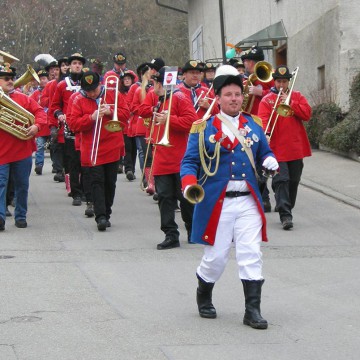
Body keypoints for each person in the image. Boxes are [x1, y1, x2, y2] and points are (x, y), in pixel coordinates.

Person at [180, 65, 279, 329]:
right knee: (217, 257)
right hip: (217, 202)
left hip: (247, 201)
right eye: (228, 94)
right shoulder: (203, 127)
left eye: (237, 94)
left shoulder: (254, 124)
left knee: (251, 253)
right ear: (219, 98)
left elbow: (265, 151)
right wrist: (189, 184)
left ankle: (252, 311)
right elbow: (189, 162)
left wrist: (269, 160)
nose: (234, 98)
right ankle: (204, 293)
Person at [139, 66, 197, 249]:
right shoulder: (158, 100)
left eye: (153, 83)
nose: (151, 87)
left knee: (185, 198)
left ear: (159, 83)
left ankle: (192, 229)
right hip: (162, 157)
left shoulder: (179, 97)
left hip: (179, 158)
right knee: (164, 198)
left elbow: (192, 122)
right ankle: (171, 234)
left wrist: (169, 119)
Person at [70, 71, 130, 231]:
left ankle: (107, 212)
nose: (91, 93)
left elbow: (126, 114)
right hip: (92, 148)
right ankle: (100, 216)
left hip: (112, 146)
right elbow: (73, 124)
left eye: (94, 89)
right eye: (88, 90)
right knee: (97, 182)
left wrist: (110, 112)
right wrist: (90, 118)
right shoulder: (78, 99)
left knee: (110, 182)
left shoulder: (113, 94)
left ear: (100, 85)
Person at [258, 65, 312, 230]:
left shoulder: (297, 96)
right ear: (274, 81)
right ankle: (285, 215)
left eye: (284, 81)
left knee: (293, 181)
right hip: (276, 148)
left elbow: (307, 114)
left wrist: (292, 104)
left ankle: (286, 204)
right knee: (282, 180)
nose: (281, 85)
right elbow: (263, 119)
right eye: (279, 81)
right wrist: (265, 133)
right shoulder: (266, 99)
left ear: (289, 82)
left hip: (295, 147)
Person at [0, 63, 47, 231]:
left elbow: (41, 113)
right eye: (6, 78)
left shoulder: (24, 99)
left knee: (22, 185)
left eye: (12, 78)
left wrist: (37, 126)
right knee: (1, 184)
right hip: (1, 151)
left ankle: (20, 216)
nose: (10, 81)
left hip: (22, 150)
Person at [49, 53, 85, 204]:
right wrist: (60, 115)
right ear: (70, 66)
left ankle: (85, 190)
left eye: (80, 63)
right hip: (69, 128)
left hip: (86, 127)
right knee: (72, 161)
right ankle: (76, 192)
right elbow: (54, 105)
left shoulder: (88, 81)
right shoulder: (62, 85)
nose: (77, 65)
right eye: (75, 63)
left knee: (86, 161)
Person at [30, 69, 50, 175]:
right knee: (40, 145)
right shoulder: (35, 94)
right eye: (40, 79)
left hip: (52, 124)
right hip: (41, 125)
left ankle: (57, 167)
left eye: (44, 79)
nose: (42, 81)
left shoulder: (53, 91)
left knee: (55, 147)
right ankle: (39, 165)